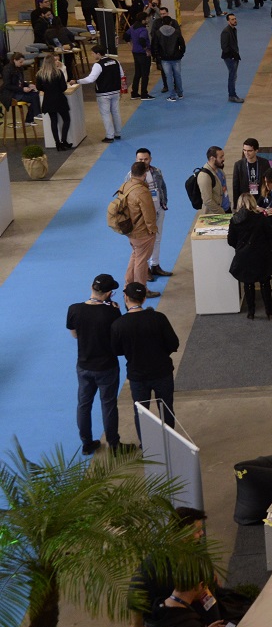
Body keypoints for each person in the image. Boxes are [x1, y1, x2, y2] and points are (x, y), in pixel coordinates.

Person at [67, 273, 129, 455]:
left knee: (84, 404)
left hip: (84, 365)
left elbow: (74, 335)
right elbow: (117, 337)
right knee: (108, 405)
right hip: (107, 366)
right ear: (109, 294)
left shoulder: (74, 309)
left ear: (92, 287)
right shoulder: (112, 312)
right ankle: (114, 444)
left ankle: (86, 443)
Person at [111, 279, 179, 434]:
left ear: (126, 298)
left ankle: (146, 444)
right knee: (167, 409)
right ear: (144, 299)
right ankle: (170, 440)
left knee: (142, 413)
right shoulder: (159, 318)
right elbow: (173, 343)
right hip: (162, 372)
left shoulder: (119, 324)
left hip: (137, 375)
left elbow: (116, 350)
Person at [228, 193, 272, 320]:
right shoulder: (260, 218)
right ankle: (269, 311)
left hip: (244, 256)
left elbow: (231, 240)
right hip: (261, 255)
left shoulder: (234, 220)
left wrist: (240, 248)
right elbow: (271, 234)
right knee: (265, 283)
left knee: (248, 284)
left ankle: (251, 312)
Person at [131, 148, 173, 280]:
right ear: (136, 160)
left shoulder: (157, 171)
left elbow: (162, 187)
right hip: (143, 216)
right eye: (140, 159)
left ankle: (155, 265)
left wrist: (163, 203)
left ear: (150, 159)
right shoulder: (131, 176)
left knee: (157, 239)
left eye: (146, 159)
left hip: (159, 210)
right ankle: (145, 269)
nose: (143, 162)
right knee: (144, 244)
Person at [117, 162, 159, 290]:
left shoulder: (125, 186)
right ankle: (140, 289)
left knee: (135, 256)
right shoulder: (142, 191)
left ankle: (129, 285)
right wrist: (152, 230)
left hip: (129, 229)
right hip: (142, 232)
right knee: (141, 261)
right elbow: (149, 213)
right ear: (145, 174)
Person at [71, 43, 125, 143]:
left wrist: (77, 81)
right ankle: (118, 133)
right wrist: (121, 89)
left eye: (93, 53)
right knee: (116, 112)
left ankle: (110, 136)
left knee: (105, 114)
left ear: (98, 54)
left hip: (103, 93)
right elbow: (121, 75)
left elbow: (91, 79)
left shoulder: (98, 65)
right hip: (116, 91)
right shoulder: (115, 61)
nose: (92, 55)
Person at [33, 52, 71, 151]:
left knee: (53, 121)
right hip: (59, 99)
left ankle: (57, 143)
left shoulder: (40, 74)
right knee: (66, 119)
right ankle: (64, 140)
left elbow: (38, 87)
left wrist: (47, 90)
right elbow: (63, 87)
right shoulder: (58, 72)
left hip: (48, 100)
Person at [152, 10, 187, 101]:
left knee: (169, 77)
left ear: (162, 23)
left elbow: (155, 46)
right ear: (171, 22)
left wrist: (157, 57)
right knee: (177, 76)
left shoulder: (158, 33)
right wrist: (180, 54)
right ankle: (180, 93)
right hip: (176, 58)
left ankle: (172, 95)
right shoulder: (176, 32)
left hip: (165, 58)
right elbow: (182, 45)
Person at [231, 138, 272, 206]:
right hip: (245, 200)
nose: (246, 153)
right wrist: (236, 205)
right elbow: (236, 186)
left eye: (249, 151)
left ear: (256, 150)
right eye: (244, 150)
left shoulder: (264, 163)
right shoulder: (238, 165)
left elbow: (269, 181)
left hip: (261, 198)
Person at [217, 12, 243, 104]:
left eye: (235, 19)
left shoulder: (234, 30)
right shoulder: (226, 31)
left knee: (233, 75)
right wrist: (231, 56)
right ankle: (232, 96)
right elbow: (224, 47)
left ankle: (232, 95)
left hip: (234, 56)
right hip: (230, 57)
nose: (235, 20)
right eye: (232, 19)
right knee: (232, 76)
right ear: (228, 21)